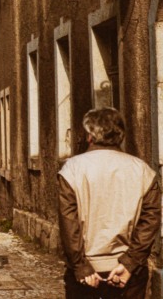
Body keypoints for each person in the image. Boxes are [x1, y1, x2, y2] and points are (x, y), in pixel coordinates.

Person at [58, 108, 161, 298]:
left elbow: (68, 224)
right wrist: (129, 263)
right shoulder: (143, 171)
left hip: (87, 271)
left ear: (89, 135)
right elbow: (150, 221)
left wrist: (81, 266)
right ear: (121, 135)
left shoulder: (72, 169)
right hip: (129, 272)